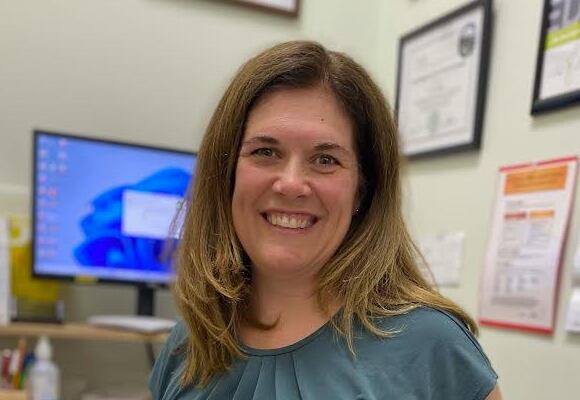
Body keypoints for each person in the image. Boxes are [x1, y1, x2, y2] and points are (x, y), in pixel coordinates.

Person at [149, 40, 502, 400]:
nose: (290, 184)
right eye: (265, 152)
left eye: (325, 160)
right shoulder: (191, 341)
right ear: (226, 175)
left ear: (361, 190)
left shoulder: (431, 346)